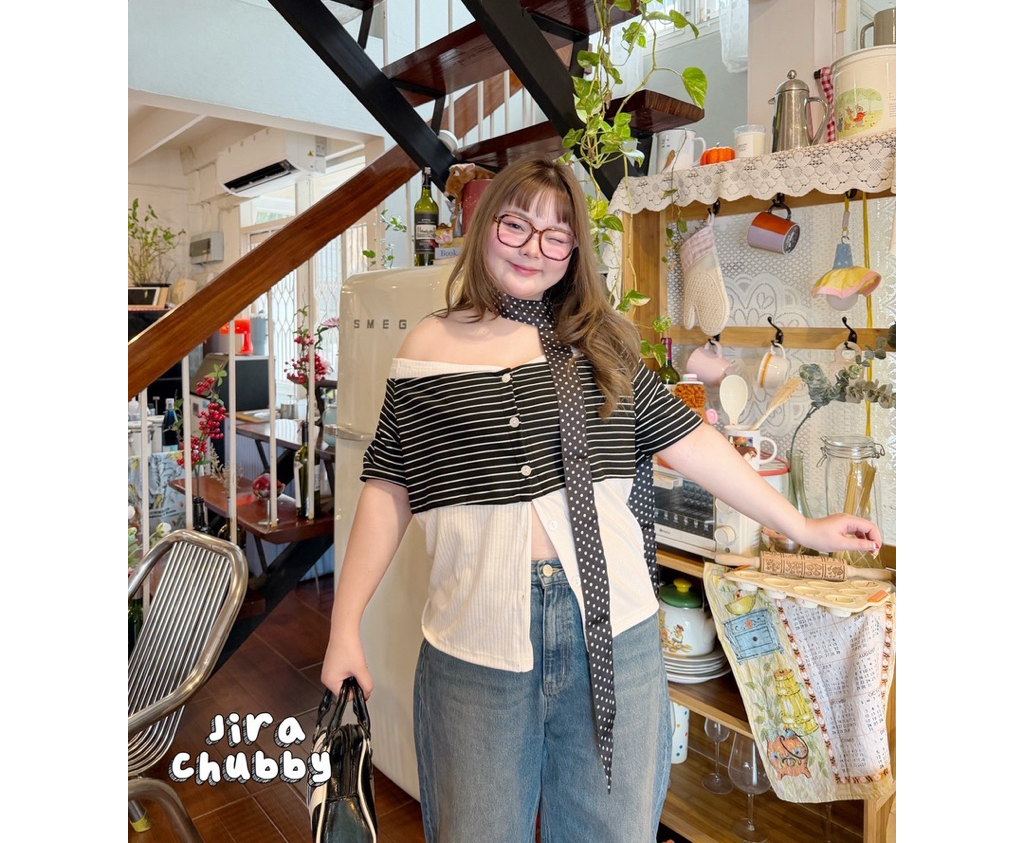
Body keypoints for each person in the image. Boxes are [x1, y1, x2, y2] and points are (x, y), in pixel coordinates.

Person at [321, 157, 881, 843]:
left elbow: (689, 441)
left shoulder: (602, 343)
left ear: (574, 252)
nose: (533, 247)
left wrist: (803, 527)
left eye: (556, 235)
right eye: (516, 225)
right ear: (484, 226)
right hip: (476, 636)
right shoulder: (428, 347)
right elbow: (388, 488)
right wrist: (344, 627)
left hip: (617, 633)